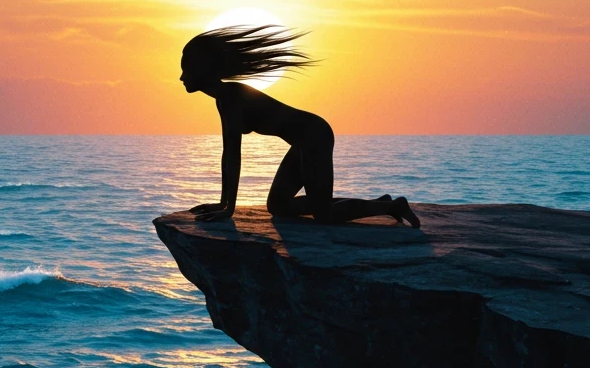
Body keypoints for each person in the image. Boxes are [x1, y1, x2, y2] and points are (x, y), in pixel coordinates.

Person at [179, 24, 420, 227]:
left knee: (323, 214)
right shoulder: (226, 98)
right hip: (303, 140)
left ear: (201, 69)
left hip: (314, 136)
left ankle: (393, 205)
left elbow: (233, 154)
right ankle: (382, 203)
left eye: (184, 69)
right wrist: (223, 204)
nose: (181, 77)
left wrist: (228, 209)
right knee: (278, 206)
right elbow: (228, 154)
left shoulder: (230, 98)